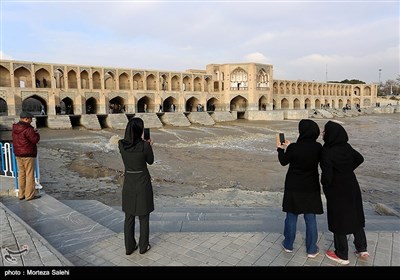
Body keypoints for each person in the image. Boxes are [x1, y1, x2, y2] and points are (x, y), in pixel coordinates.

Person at [321, 121, 369, 265]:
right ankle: (362, 248)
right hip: (352, 185)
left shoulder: (327, 151)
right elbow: (359, 158)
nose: (323, 134)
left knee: (339, 219)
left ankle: (342, 254)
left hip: (337, 188)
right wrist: (347, 170)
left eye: (325, 131)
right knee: (355, 215)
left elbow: (327, 176)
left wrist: (326, 186)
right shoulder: (346, 147)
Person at [277, 119, 323, 258]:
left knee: (291, 216)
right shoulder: (318, 147)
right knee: (310, 218)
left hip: (294, 186)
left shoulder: (294, 148)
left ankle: (288, 245)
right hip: (311, 187)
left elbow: (283, 161)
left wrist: (280, 148)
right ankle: (311, 250)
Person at [119, 117, 154, 255]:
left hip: (129, 181)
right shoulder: (144, 146)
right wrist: (149, 145)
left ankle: (129, 247)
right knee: (144, 216)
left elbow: (129, 149)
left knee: (129, 216)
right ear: (140, 130)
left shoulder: (121, 144)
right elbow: (150, 161)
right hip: (142, 182)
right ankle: (143, 247)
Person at [12, 111, 41, 201]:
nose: (31, 121)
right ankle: (29, 195)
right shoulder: (28, 129)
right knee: (29, 175)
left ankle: (21, 194)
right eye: (30, 119)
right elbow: (35, 140)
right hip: (28, 154)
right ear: (26, 119)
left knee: (21, 174)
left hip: (18, 154)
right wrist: (36, 133)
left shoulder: (15, 128)